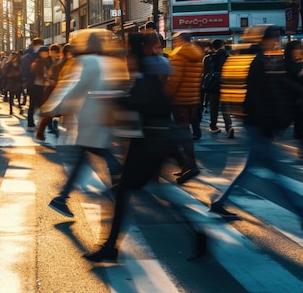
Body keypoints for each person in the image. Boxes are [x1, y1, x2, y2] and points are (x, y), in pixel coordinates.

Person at [83, 32, 206, 262]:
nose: (126, 58)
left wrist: (113, 98)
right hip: (149, 143)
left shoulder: (149, 73)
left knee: (123, 194)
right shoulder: (148, 71)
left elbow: (145, 103)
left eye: (128, 53)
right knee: (152, 193)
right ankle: (197, 233)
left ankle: (110, 247)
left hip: (150, 145)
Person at [209, 27, 303, 226]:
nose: (275, 44)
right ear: (267, 40)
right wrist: (270, 122)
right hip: (258, 121)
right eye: (274, 40)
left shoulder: (247, 59)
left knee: (254, 166)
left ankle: (220, 201)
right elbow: (259, 95)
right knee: (274, 170)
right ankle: (298, 210)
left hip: (251, 120)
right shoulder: (259, 61)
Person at [44, 30, 126, 218]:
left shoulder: (87, 61)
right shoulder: (110, 61)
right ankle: (117, 188)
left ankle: (62, 198)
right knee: (101, 153)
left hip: (89, 116)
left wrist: (53, 106)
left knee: (87, 155)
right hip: (102, 117)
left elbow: (74, 87)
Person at [166, 32, 205, 184]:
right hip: (192, 99)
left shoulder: (179, 55)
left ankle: (190, 165)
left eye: (175, 40)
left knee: (182, 134)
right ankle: (186, 166)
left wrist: (167, 96)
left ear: (180, 40)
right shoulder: (197, 54)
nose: (174, 43)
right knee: (184, 132)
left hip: (179, 100)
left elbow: (174, 80)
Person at [205, 40, 234, 137]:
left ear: (213, 47)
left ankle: (213, 126)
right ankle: (229, 126)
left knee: (213, 107)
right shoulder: (228, 57)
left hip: (213, 85)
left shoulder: (209, 58)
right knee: (225, 107)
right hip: (225, 84)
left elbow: (206, 72)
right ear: (222, 45)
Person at [284, 40, 303, 143]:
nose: (299, 51)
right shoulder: (287, 64)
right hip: (293, 98)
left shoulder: (298, 63)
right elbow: (288, 81)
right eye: (297, 48)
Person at [20, 37, 45, 118]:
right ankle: (31, 121)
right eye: (40, 45)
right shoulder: (29, 56)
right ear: (35, 45)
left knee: (38, 103)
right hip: (32, 82)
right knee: (33, 103)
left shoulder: (37, 55)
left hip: (39, 82)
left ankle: (37, 121)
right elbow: (26, 70)